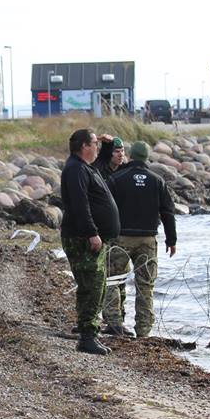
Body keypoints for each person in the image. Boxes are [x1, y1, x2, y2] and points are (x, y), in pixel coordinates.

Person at [102, 141, 177, 338]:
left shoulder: (116, 178)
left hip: (121, 237)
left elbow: (106, 208)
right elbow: (168, 211)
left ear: (131, 156)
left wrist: (103, 234)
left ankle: (114, 322)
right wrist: (171, 239)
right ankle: (143, 329)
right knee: (145, 285)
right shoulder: (157, 180)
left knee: (112, 279)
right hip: (148, 239)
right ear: (146, 157)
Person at [59, 128, 120, 355]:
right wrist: (92, 232)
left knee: (96, 285)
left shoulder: (85, 167)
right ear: (84, 146)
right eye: (94, 143)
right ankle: (87, 336)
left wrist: (107, 144)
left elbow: (102, 163)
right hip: (82, 238)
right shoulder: (75, 170)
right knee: (92, 287)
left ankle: (89, 332)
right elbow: (79, 204)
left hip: (90, 237)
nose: (96, 146)